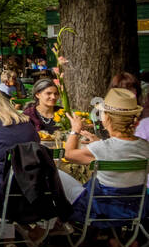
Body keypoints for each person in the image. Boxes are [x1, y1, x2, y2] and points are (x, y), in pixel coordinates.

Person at [59, 87, 149, 225]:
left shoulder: (102, 148)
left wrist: (75, 131)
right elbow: (121, 150)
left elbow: (69, 154)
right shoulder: (145, 146)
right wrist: (99, 143)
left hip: (97, 209)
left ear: (107, 117)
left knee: (55, 173)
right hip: (134, 209)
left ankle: (52, 225)